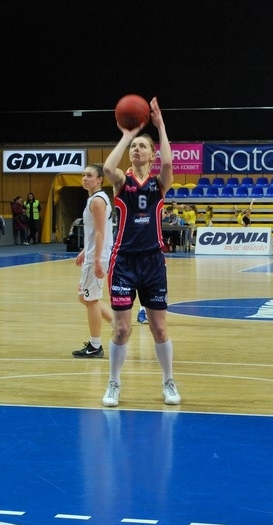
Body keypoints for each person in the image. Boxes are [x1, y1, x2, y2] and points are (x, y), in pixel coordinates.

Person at [101, 96, 180, 407]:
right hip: (124, 262)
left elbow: (171, 164)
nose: (137, 150)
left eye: (142, 147)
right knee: (122, 329)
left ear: (151, 155)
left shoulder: (159, 183)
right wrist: (127, 134)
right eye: (135, 148)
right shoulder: (122, 182)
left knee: (160, 327)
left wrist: (159, 127)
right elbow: (108, 166)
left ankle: (168, 381)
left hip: (152, 262)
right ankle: (113, 383)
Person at [72, 164, 115, 359]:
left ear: (99, 179)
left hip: (97, 257)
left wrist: (96, 259)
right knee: (85, 297)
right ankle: (117, 325)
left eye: (89, 175)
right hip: (93, 254)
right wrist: (84, 251)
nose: (84, 178)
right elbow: (96, 232)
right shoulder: (97, 199)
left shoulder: (97, 201)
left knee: (91, 300)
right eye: (83, 175)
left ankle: (95, 345)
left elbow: (100, 232)